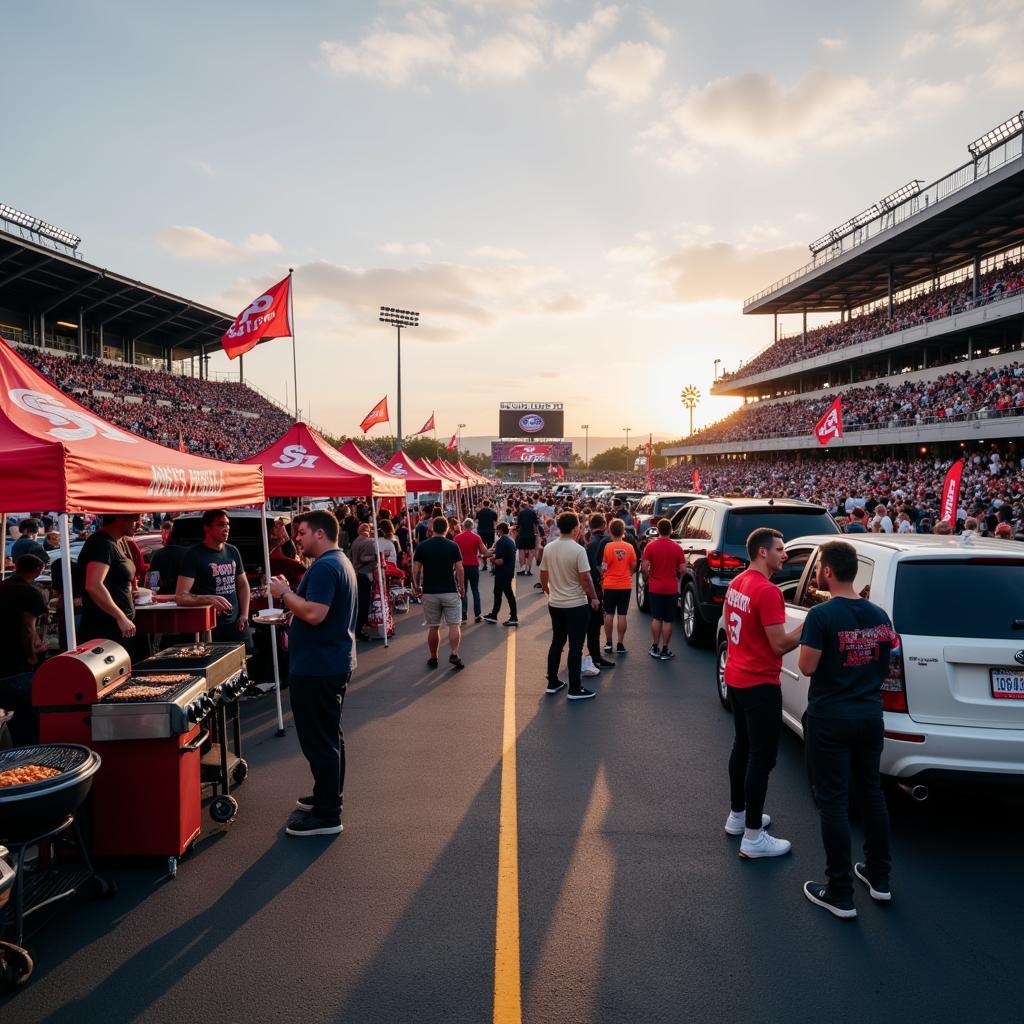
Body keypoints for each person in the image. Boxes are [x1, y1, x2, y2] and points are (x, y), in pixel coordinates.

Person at [798, 540, 896, 918]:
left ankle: (839, 892)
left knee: (834, 802)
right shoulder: (880, 615)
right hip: (870, 715)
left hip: (830, 717)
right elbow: (885, 665)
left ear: (826, 571)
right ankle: (880, 877)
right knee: (872, 794)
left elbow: (806, 667)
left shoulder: (821, 616)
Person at [268, 510, 356, 838]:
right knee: (329, 737)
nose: (297, 539)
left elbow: (315, 613)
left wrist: (284, 594)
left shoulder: (326, 566)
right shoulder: (335, 562)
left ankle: (328, 814)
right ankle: (327, 797)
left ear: (320, 534)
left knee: (320, 740)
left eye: (301, 532)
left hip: (320, 666)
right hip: (329, 662)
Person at [723, 528, 802, 859]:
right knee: (762, 757)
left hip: (738, 676)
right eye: (779, 549)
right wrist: (814, 623)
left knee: (742, 747)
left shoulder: (736, 583)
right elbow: (780, 644)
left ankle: (738, 817)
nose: (784, 554)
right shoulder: (768, 592)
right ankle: (754, 837)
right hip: (759, 682)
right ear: (761, 553)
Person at [540, 511, 601, 701]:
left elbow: (543, 574)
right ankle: (575, 687)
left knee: (557, 642)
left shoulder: (549, 548)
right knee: (576, 646)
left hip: (556, 603)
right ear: (575, 528)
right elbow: (586, 577)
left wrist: (547, 590)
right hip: (576, 604)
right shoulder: (578, 550)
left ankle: (553, 681)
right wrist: (594, 597)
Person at [79, 512, 150, 660]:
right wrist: (120, 617)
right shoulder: (101, 543)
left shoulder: (121, 542)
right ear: (119, 518)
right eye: (135, 519)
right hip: (105, 629)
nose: (140, 524)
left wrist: (133, 591)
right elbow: (93, 585)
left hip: (122, 628)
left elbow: (120, 579)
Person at [176, 509, 251, 645]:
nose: (226, 528)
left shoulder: (233, 551)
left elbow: (243, 585)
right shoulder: (193, 555)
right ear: (207, 528)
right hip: (210, 628)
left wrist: (244, 615)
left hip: (236, 624)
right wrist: (210, 599)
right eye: (221, 525)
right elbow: (181, 597)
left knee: (246, 660)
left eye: (227, 524)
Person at [0, 554, 48, 745]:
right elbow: (28, 627)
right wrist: (31, 655)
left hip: (2, 664)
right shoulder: (31, 593)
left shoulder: (2, 586)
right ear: (38, 570)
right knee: (25, 722)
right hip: (18, 666)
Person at [412, 517, 466, 670]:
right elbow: (460, 569)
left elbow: (415, 569)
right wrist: (461, 587)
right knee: (454, 624)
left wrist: (416, 586)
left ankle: (433, 657)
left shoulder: (423, 546)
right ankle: (454, 653)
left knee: (433, 627)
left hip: (430, 591)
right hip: (449, 589)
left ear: (432, 529)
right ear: (447, 529)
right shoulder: (453, 546)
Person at [640, 518, 685, 660]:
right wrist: (676, 574)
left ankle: (655, 646)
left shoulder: (650, 546)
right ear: (671, 530)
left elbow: (644, 567)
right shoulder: (677, 548)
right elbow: (683, 569)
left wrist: (648, 578)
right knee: (668, 620)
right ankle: (665, 649)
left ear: (658, 530)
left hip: (655, 586)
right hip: (671, 587)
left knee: (656, 618)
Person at [582, 515, 614, 673]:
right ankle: (594, 657)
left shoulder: (591, 541)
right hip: (595, 589)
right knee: (594, 625)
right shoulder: (600, 542)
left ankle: (593, 655)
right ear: (603, 525)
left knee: (591, 625)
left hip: (589, 589)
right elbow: (597, 567)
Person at [602, 518, 637, 653]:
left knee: (609, 614)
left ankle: (609, 643)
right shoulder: (629, 547)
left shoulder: (608, 546)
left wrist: (605, 572)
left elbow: (604, 565)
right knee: (622, 614)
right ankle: (620, 644)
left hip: (610, 584)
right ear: (623, 531)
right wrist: (629, 572)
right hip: (625, 584)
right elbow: (634, 564)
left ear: (610, 531)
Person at [482, 522, 518, 626]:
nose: (496, 532)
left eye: (497, 530)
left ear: (500, 531)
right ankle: (494, 614)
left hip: (502, 573)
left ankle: (513, 617)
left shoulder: (501, 541)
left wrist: (491, 559)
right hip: (508, 571)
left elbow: (500, 561)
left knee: (506, 594)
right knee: (499, 593)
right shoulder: (510, 540)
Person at [454, 519, 488, 623]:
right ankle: (477, 614)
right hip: (473, 566)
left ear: (463, 526)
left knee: (463, 590)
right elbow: (484, 551)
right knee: (475, 590)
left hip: (461, 567)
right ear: (472, 527)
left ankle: (464, 614)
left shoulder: (457, 538)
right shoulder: (476, 537)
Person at [349, 523, 378, 641]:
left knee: (360, 602)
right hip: (365, 573)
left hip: (357, 573)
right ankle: (359, 629)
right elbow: (363, 558)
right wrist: (375, 557)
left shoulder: (355, 541)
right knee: (364, 604)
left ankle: (359, 628)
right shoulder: (368, 542)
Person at [148, 518, 185, 595]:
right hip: (185, 597)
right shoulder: (188, 554)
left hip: (164, 598)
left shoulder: (158, 555)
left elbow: (153, 583)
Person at [516, 501, 540, 575]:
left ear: (521, 507)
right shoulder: (533, 513)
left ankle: (523, 569)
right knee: (531, 552)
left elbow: (519, 525)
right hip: (531, 534)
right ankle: (528, 570)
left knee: (521, 551)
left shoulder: (521, 513)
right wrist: (537, 534)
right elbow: (535, 525)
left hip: (522, 534)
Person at [476, 499, 498, 572]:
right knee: (491, 548)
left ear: (483, 504)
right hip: (490, 531)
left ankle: (484, 564)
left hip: (481, 531)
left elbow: (476, 521)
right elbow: (495, 522)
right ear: (489, 504)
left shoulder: (479, 512)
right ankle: (492, 566)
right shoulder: (493, 512)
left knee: (482, 549)